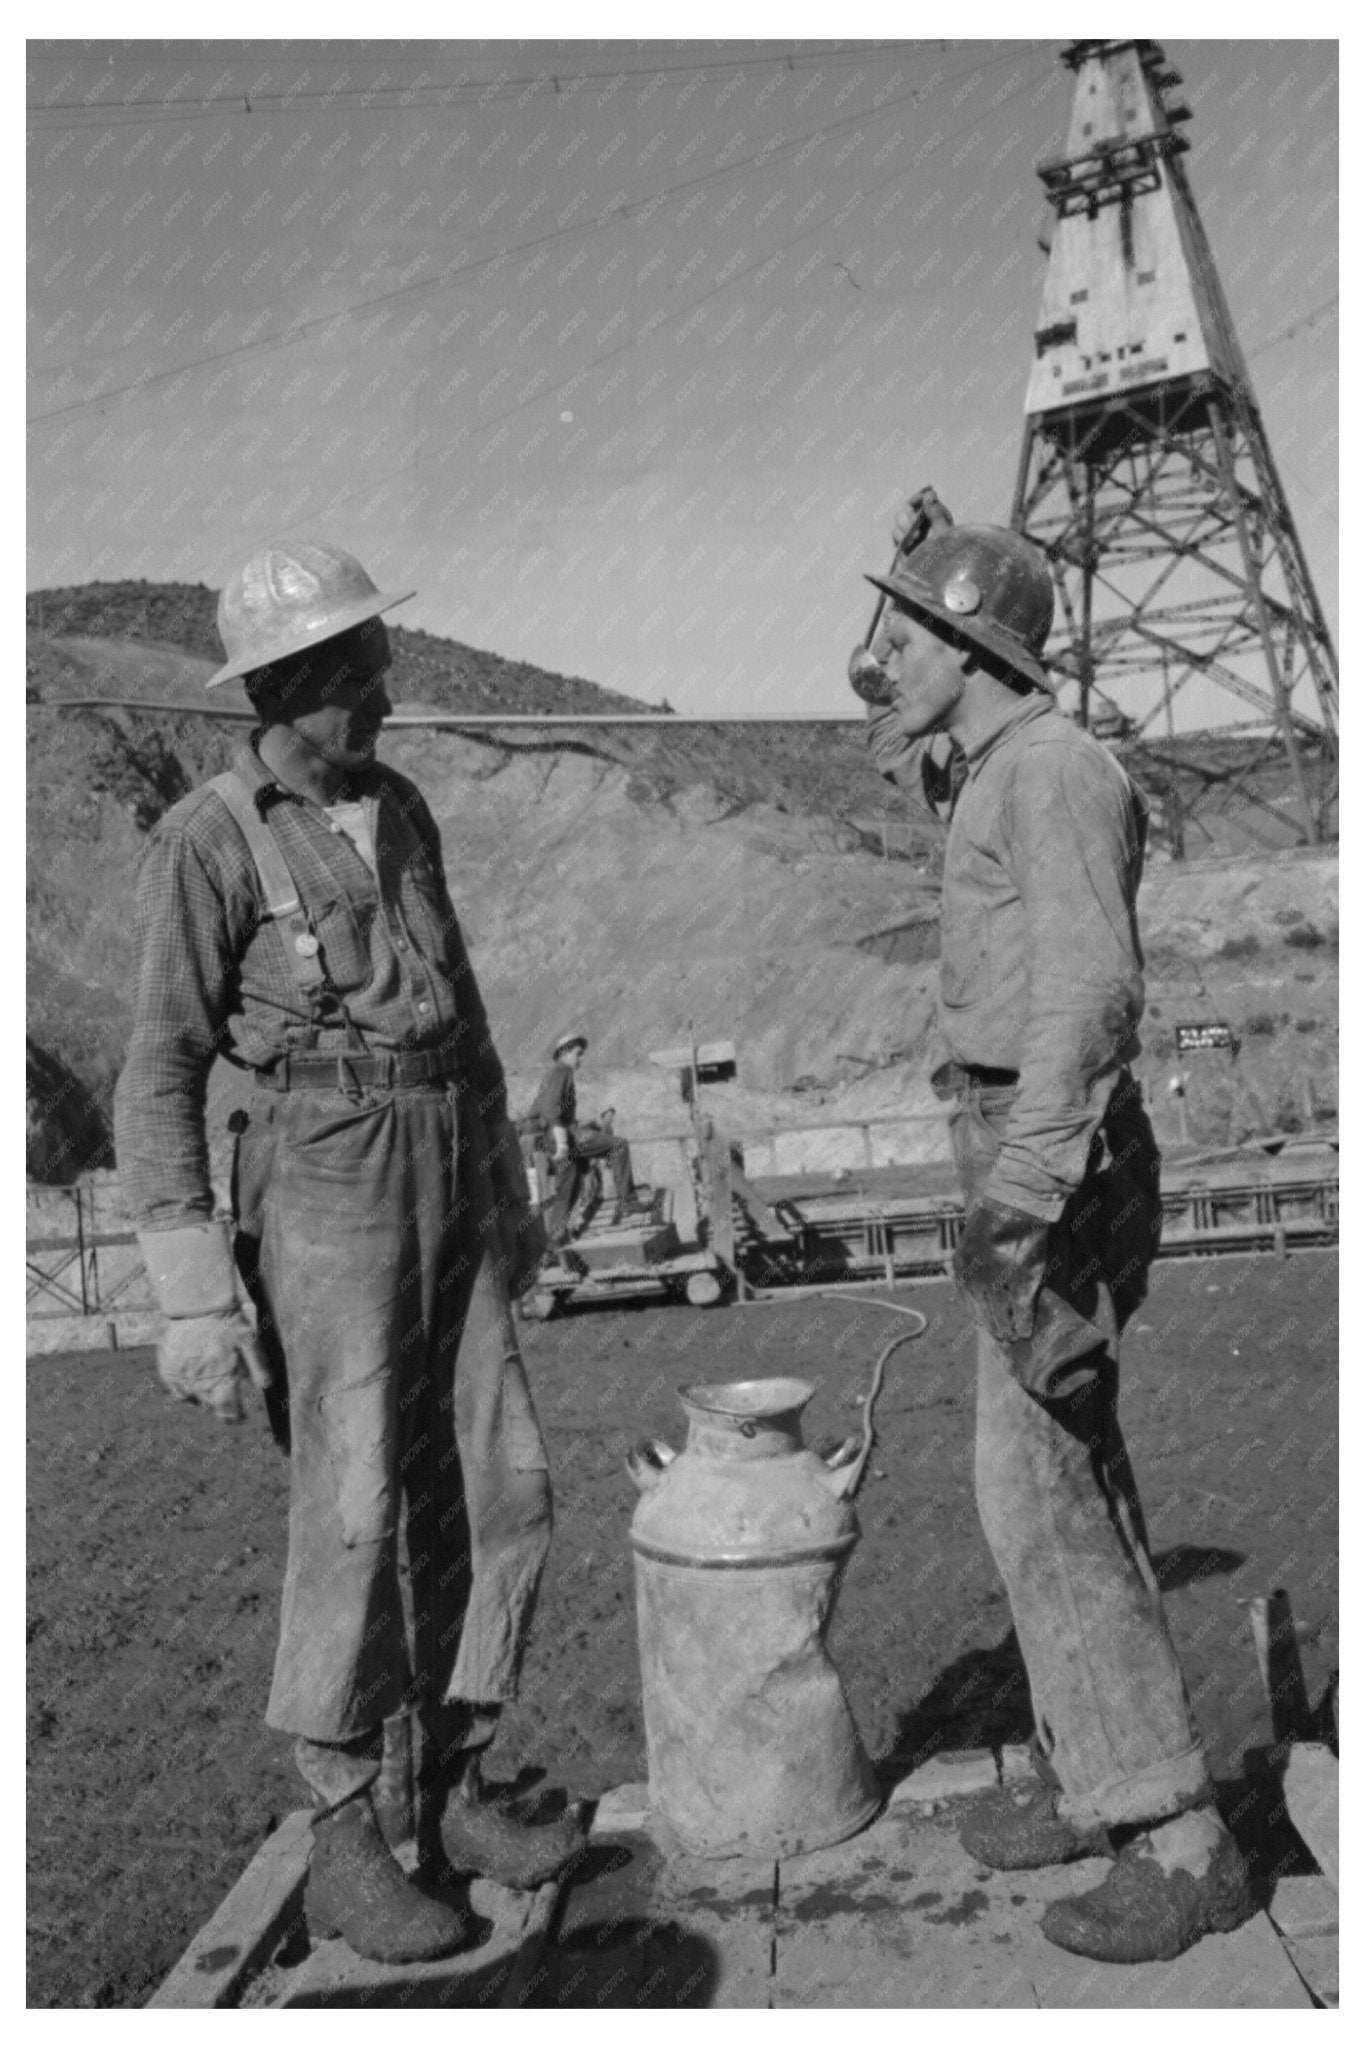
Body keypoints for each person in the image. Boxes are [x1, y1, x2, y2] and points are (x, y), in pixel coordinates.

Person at [113, 541, 582, 1966]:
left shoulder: (405, 808)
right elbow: (159, 1070)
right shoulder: (209, 839)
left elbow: (474, 1019)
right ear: (286, 685)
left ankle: (450, 1788)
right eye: (356, 667)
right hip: (322, 1184)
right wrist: (192, 1292)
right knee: (355, 1506)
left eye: (374, 659)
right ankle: (340, 1836)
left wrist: (507, 1199)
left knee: (499, 1484)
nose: (384, 686)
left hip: (448, 1163)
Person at [853, 491, 1255, 1965]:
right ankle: (1104, 1783)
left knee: (1047, 1491)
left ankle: (1178, 1835)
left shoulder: (1053, 774)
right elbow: (891, 721)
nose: (885, 656)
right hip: (1025, 1144)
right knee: (1045, 1474)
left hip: (1053, 1159)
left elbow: (1091, 995)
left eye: (908, 633)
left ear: (972, 649)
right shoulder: (989, 765)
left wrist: (1020, 1193)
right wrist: (916, 578)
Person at [525, 1026, 640, 1236]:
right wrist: (561, 1142)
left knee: (568, 1190)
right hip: (561, 1137)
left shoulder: (555, 1073)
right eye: (578, 1053)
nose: (581, 1058)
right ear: (565, 1052)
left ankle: (553, 1241)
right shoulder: (562, 1070)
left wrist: (591, 1124)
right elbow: (550, 1108)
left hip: (553, 1136)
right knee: (618, 1146)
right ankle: (629, 1202)